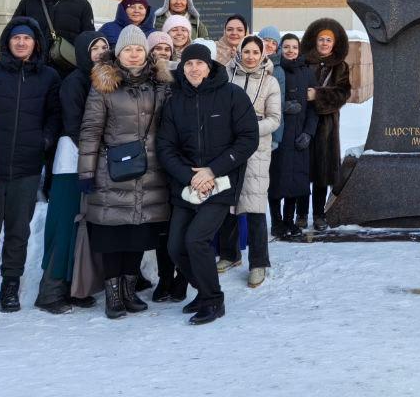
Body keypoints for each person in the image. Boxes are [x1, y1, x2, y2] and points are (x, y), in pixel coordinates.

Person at [156, 43, 259, 325]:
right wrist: (190, 176)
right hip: (187, 186)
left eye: (199, 63)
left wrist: (212, 170)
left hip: (221, 184)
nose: (194, 69)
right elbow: (165, 147)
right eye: (188, 64)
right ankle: (203, 291)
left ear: (209, 65)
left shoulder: (232, 95)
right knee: (176, 246)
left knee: (197, 239)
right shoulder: (175, 101)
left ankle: (214, 300)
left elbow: (248, 138)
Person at [77, 25, 173, 319]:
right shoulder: (103, 83)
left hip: (151, 171)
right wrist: (86, 171)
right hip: (113, 170)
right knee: (112, 234)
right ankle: (113, 295)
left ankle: (130, 291)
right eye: (128, 49)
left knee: (138, 233)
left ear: (146, 52)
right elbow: (91, 129)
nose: (134, 54)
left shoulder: (161, 82)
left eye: (139, 49)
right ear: (119, 53)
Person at [0, 17, 61, 316]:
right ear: (7, 41)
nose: (21, 43)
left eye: (27, 38)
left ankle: (10, 285)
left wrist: (43, 141)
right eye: (16, 38)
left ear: (36, 43)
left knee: (18, 230)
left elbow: (54, 116)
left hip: (27, 166)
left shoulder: (48, 77)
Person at [37, 30, 105, 313]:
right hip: (71, 160)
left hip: (93, 159)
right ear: (81, 52)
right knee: (63, 224)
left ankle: (77, 287)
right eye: (95, 48)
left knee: (84, 225)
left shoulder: (104, 80)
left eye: (104, 46)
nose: (101, 51)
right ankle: (51, 292)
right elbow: (74, 124)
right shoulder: (74, 82)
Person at [218, 35, 281, 286]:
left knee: (254, 205)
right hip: (227, 146)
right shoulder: (226, 75)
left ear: (262, 54)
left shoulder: (271, 81)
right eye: (247, 51)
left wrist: (248, 130)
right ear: (240, 52)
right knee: (227, 201)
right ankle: (230, 254)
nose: (251, 56)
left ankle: (259, 262)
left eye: (256, 52)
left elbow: (275, 119)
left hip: (256, 147)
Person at [12, 0, 94, 76]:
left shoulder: (82, 5)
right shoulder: (29, 1)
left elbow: (88, 43)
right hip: (33, 72)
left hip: (68, 74)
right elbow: (13, 33)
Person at [304, 18, 352, 232]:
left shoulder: (340, 67)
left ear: (334, 44)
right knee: (302, 171)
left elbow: (343, 93)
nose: (324, 43)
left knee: (322, 172)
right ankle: (300, 214)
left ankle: (319, 214)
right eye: (321, 39)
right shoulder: (303, 61)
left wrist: (319, 95)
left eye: (328, 40)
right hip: (303, 122)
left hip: (327, 126)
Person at [270, 34, 317, 239]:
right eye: (286, 47)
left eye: (294, 47)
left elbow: (315, 108)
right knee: (276, 182)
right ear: (281, 48)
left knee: (295, 182)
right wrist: (282, 107)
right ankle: (277, 222)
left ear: (299, 49)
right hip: (278, 136)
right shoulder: (273, 70)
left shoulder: (307, 72)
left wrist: (308, 132)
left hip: (299, 137)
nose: (290, 50)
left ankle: (289, 221)